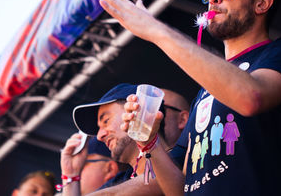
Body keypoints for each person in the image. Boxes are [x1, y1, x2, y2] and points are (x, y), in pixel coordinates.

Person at [92, 0, 281, 196]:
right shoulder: (205, 94)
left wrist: (156, 31)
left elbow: (251, 97)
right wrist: (149, 142)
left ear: (261, 3)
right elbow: (178, 189)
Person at [59, 83, 189, 195]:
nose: (99, 136)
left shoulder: (181, 159)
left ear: (137, 110)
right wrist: (71, 175)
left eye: (106, 120)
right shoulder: (120, 180)